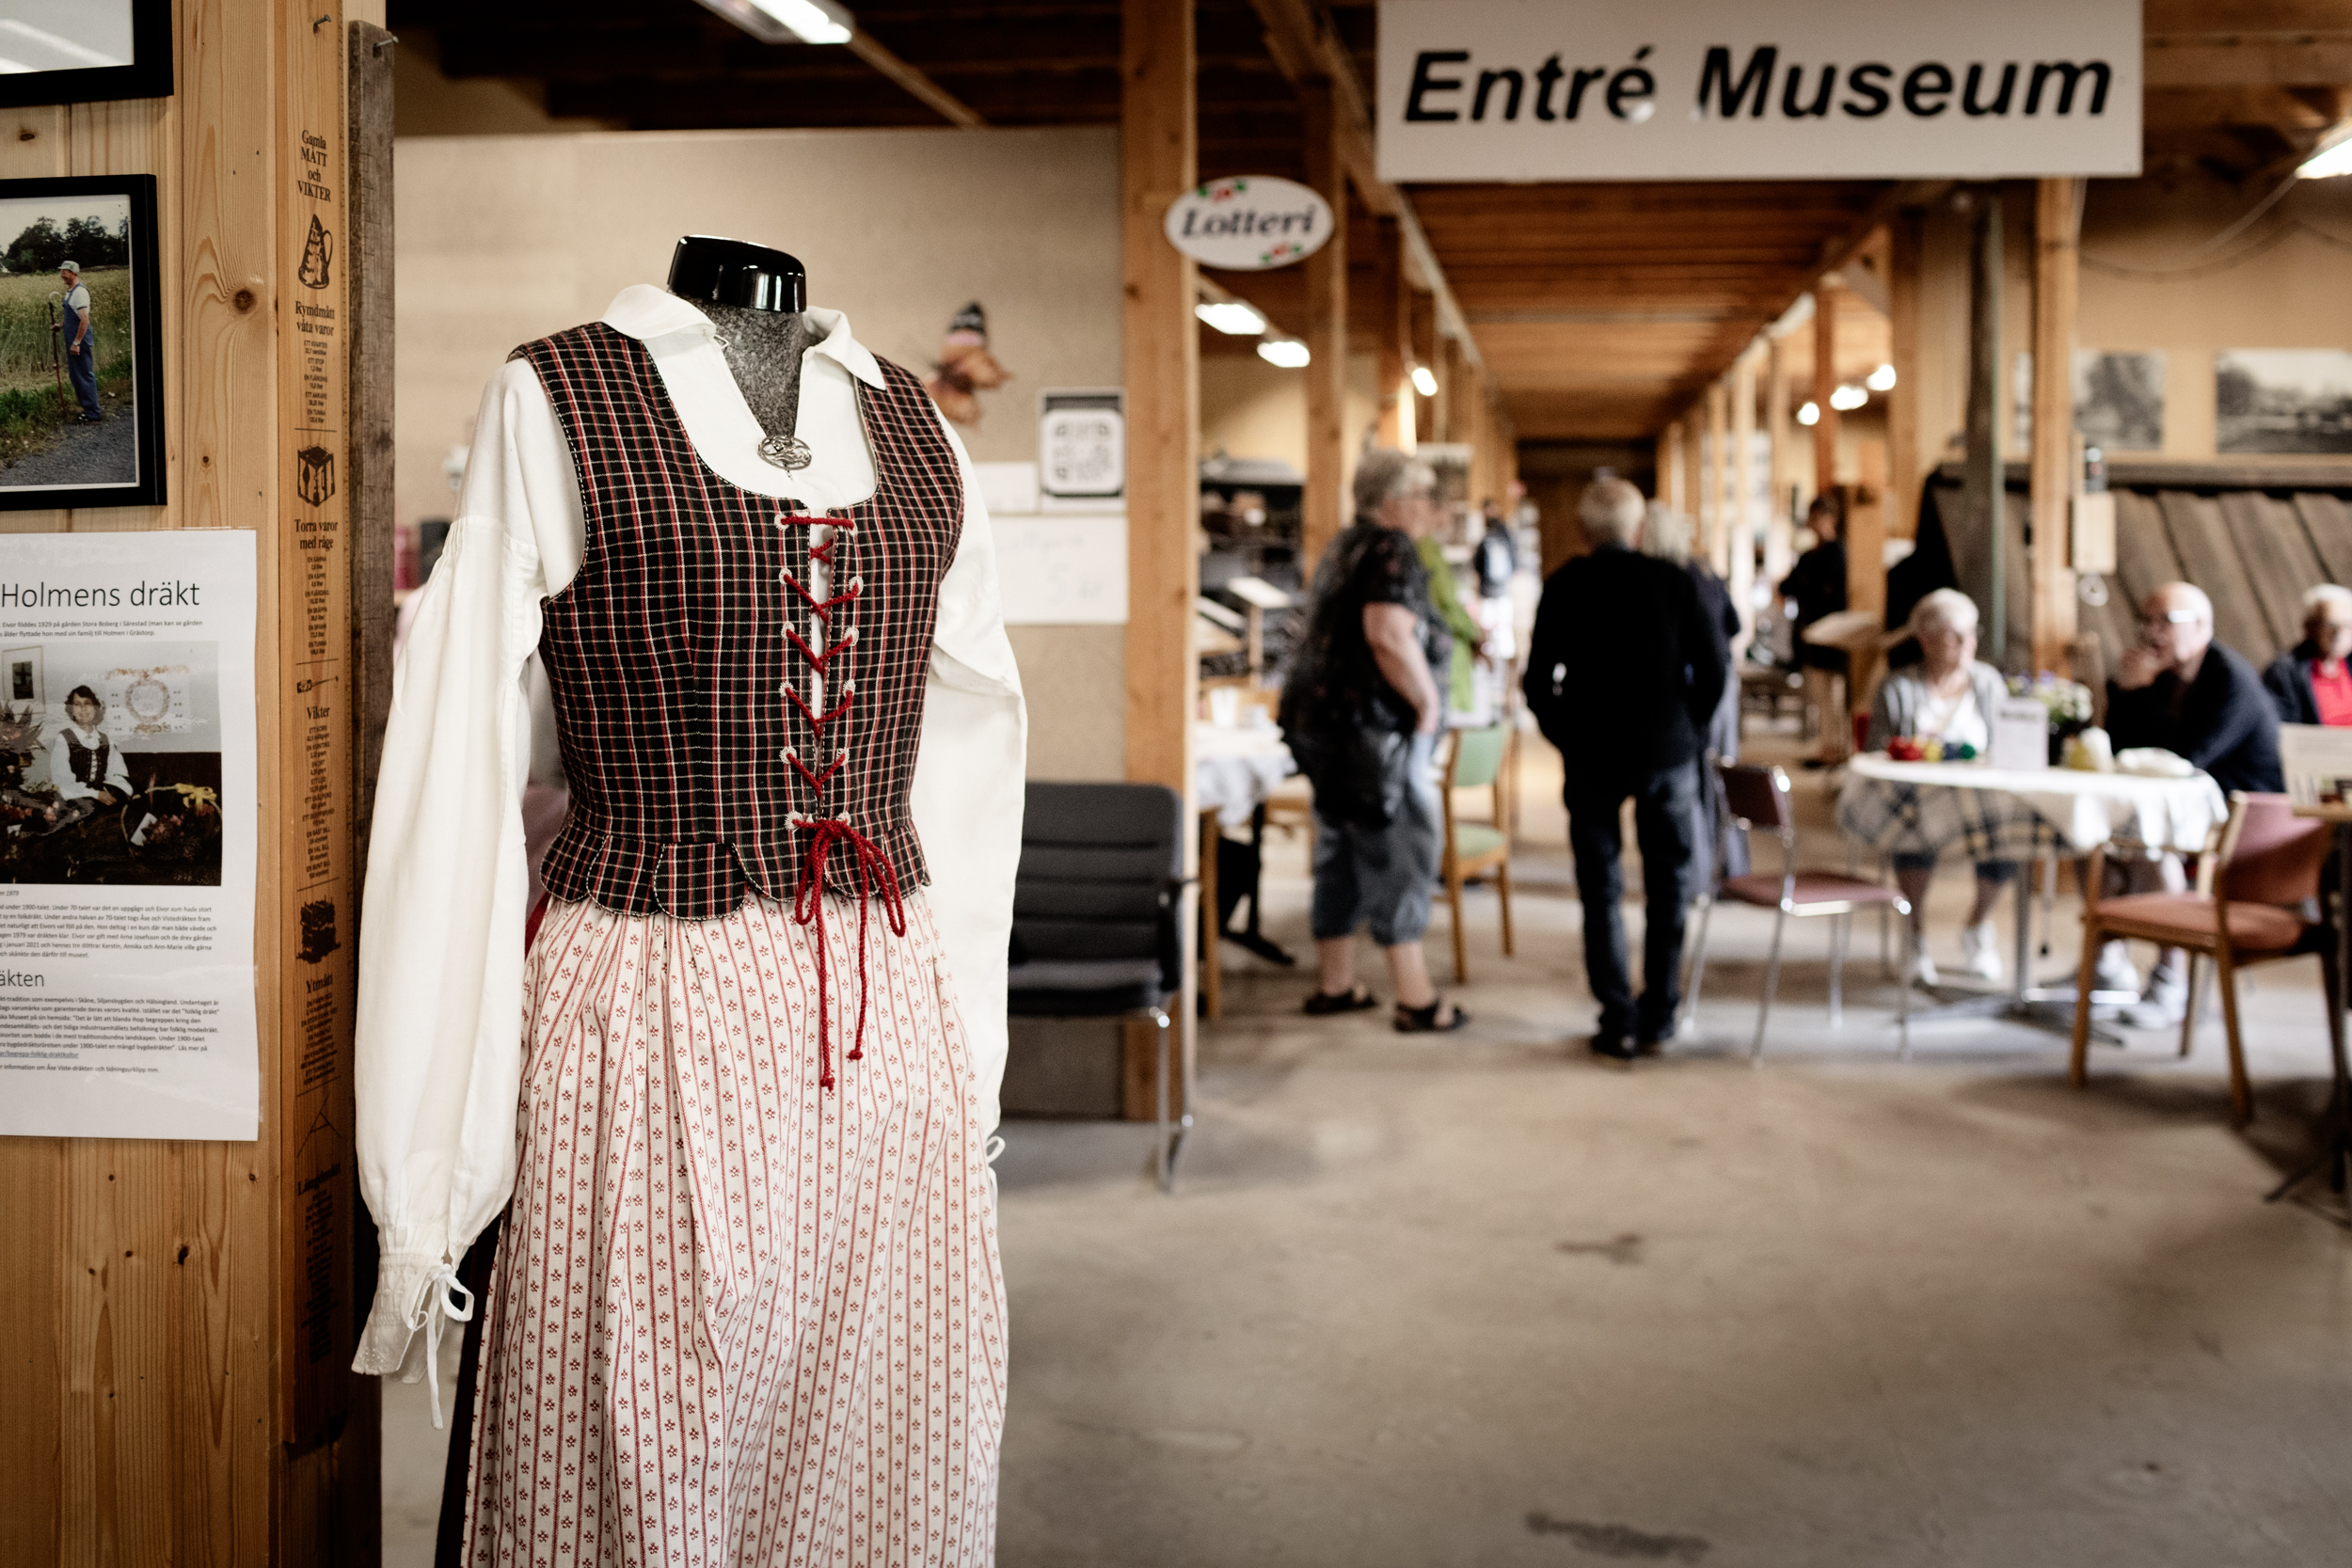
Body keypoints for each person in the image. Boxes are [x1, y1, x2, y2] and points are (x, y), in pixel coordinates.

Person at [1524, 478, 1727, 1060]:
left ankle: (1616, 1015)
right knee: (1668, 884)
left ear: (1584, 532)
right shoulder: (1675, 582)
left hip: (1591, 753)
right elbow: (1714, 672)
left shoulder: (1563, 585)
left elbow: (1539, 683)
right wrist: (1691, 733)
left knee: (1600, 885)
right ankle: (1660, 1012)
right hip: (1667, 752)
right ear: (1639, 529)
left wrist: (1564, 736)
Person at [1279, 447, 1467, 1032]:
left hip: (1322, 726)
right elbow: (1387, 633)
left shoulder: (1343, 544)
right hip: (1372, 733)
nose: (1429, 510)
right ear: (1390, 502)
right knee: (1399, 852)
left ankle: (1335, 984)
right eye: (1420, 498)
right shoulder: (1392, 547)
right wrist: (1427, 699)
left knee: (1338, 849)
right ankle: (1414, 998)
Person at [2101, 581, 2284, 1025]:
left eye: (2165, 621)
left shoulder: (2230, 679)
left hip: (2250, 828)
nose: (2151, 632)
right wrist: (2125, 693)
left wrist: (2140, 692)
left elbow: (2189, 759)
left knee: (2151, 846)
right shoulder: (2161, 676)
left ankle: (2171, 983)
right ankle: (2107, 968)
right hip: (2189, 813)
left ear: (2202, 626)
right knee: (2104, 841)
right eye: (2146, 620)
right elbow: (2121, 751)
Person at [1863, 590, 2015, 985]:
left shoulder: (1988, 683)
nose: (1968, 645)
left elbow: (2009, 747)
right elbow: (1875, 752)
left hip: (1983, 801)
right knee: (1913, 836)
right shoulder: (1897, 687)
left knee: (2009, 836)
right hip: (1920, 801)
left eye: (1971, 634)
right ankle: (1915, 936)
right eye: (1954, 635)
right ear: (1926, 639)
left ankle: (1978, 926)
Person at [1642, 502, 1746, 885]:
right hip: (1722, 684)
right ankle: (1733, 867)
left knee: (1694, 782)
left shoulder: (1665, 581)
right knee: (1723, 774)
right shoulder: (1705, 572)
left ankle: (1698, 876)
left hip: (1692, 691)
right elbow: (1735, 628)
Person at [1780, 493, 1849, 763]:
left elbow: (1828, 593)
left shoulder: (1839, 553)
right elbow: (1789, 586)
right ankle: (1827, 749)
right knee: (1821, 700)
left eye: (1817, 516)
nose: (1812, 522)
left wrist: (1807, 587)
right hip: (1811, 639)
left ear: (1830, 518)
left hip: (1835, 641)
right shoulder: (1809, 556)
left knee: (1835, 699)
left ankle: (1838, 751)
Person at [2262, 583, 2352, 726]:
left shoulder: (2348, 664)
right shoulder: (2284, 672)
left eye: (2347, 625)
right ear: (2309, 626)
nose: (2339, 634)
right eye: (2329, 625)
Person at [46, 684, 129, 812]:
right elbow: (62, 781)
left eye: (87, 703)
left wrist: (112, 791)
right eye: (77, 704)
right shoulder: (64, 738)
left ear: (95, 708)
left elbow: (118, 774)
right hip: (75, 799)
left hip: (102, 798)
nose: (83, 709)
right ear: (71, 710)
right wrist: (95, 794)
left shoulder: (106, 740)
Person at [55, 261, 102, 422]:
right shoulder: (70, 292)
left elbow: (84, 320)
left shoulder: (80, 292)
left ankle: (93, 414)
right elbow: (73, 317)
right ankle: (88, 410)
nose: (62, 275)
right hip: (72, 340)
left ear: (74, 273)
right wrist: (61, 326)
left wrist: (76, 343)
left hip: (78, 342)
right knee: (76, 376)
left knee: (84, 375)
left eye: (65, 272)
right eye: (61, 272)